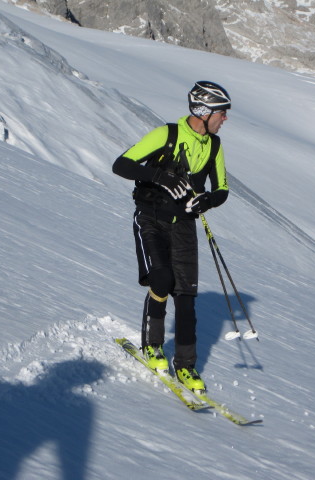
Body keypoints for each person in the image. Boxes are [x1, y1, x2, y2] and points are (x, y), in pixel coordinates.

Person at [112, 81, 231, 393]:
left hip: (184, 226)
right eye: (222, 112)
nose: (225, 119)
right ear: (203, 112)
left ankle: (186, 367)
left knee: (187, 299)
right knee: (162, 279)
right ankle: (152, 346)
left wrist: (208, 200)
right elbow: (121, 164)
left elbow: (222, 190)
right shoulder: (167, 134)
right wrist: (159, 176)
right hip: (150, 217)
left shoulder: (214, 146)